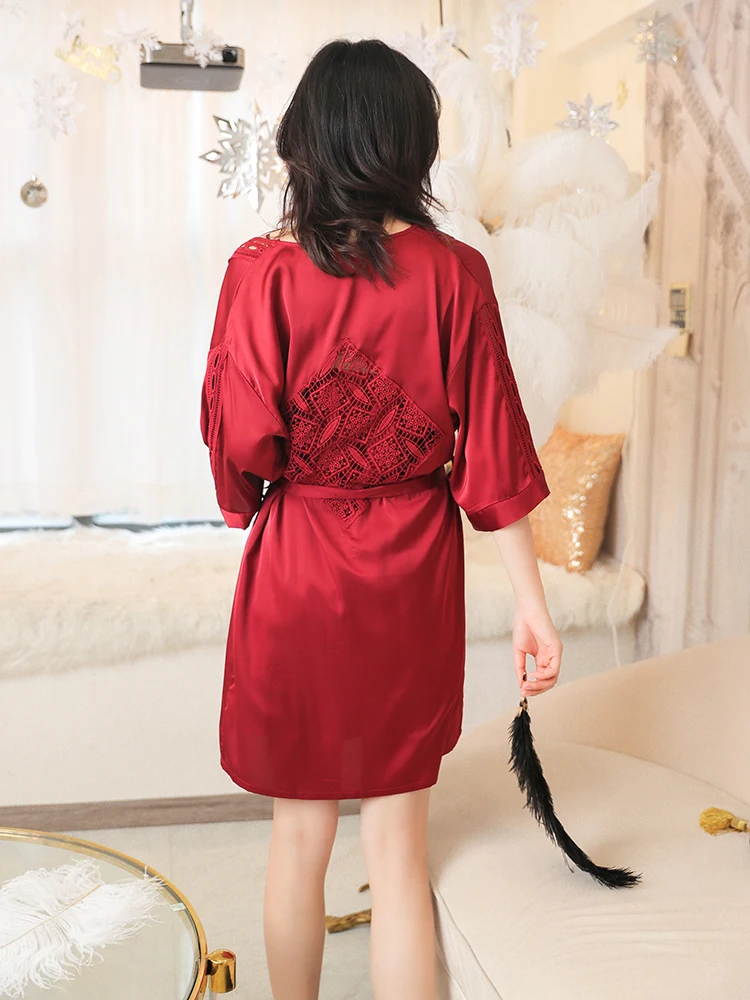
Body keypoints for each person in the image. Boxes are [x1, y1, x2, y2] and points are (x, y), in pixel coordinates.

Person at [200, 36, 562, 1000]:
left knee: (298, 838)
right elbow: (495, 452)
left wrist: (257, 499)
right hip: (413, 568)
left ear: (307, 139)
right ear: (410, 143)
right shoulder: (456, 273)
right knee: (399, 850)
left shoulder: (262, 272)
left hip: (298, 563)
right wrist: (532, 605)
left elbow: (240, 444)